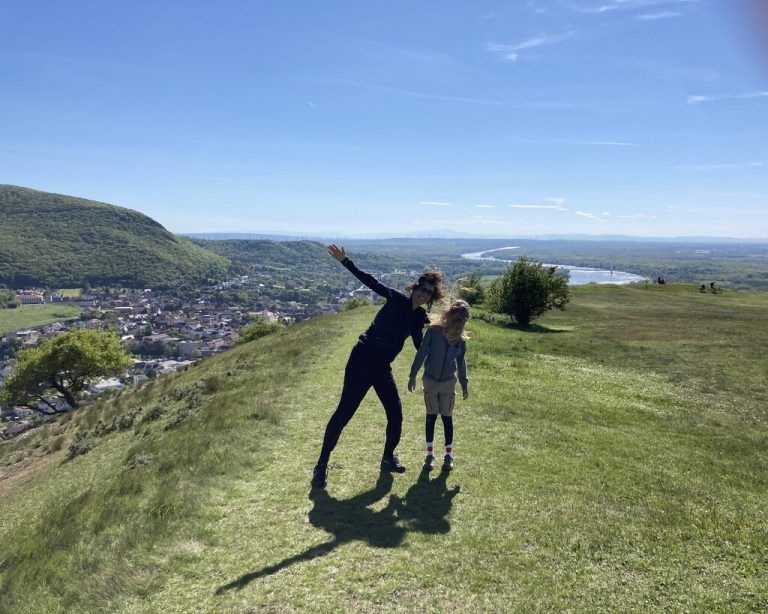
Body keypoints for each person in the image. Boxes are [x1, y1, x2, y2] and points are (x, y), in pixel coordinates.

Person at [311, 245, 445, 488]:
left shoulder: (418, 319)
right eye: (422, 288)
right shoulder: (395, 298)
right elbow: (370, 281)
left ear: (431, 298)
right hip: (362, 359)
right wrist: (345, 261)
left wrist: (438, 363)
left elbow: (420, 347)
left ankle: (387, 458)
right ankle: (321, 465)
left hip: (382, 367)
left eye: (429, 293)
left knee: (396, 415)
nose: (424, 294)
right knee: (344, 413)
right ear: (415, 287)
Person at [407, 299, 470, 472]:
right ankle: (429, 455)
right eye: (459, 319)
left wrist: (464, 384)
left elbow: (461, 362)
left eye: (463, 321)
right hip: (430, 382)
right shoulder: (433, 331)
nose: (461, 324)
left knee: (447, 418)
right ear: (450, 314)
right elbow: (421, 354)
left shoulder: (460, 339)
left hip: (448, 384)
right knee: (431, 417)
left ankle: (448, 456)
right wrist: (412, 375)